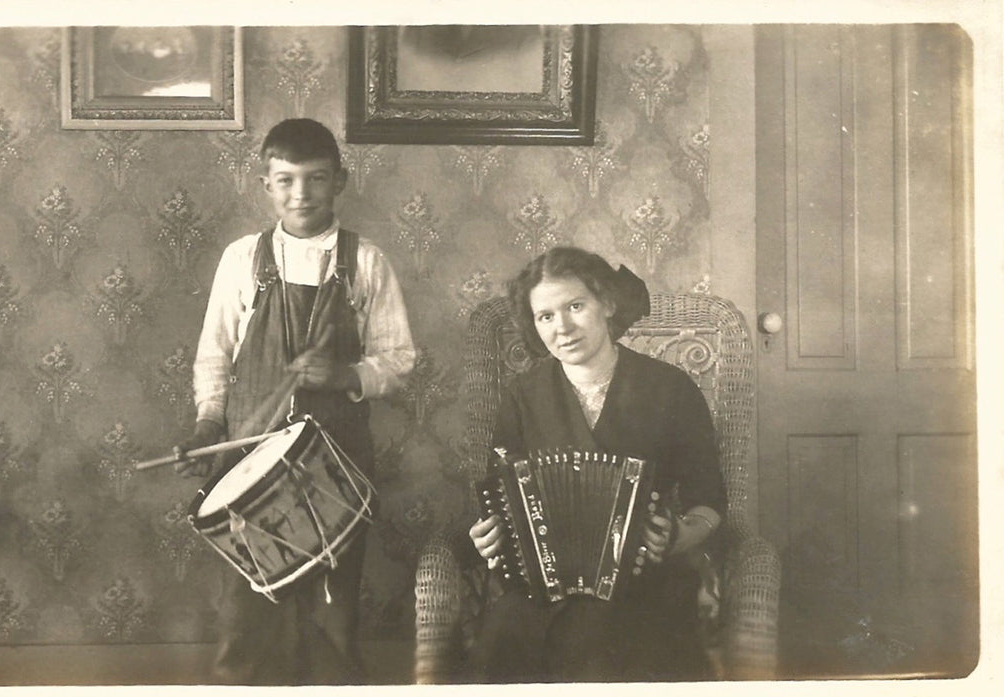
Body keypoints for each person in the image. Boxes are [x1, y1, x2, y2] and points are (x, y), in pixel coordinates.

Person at [174, 118, 416, 684]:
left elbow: (400, 361)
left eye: (315, 179)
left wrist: (342, 376)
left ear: (341, 182)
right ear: (265, 185)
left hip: (337, 460)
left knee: (331, 605)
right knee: (247, 603)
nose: (300, 194)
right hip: (251, 454)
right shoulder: (242, 259)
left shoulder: (366, 262)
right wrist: (210, 420)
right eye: (285, 180)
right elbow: (214, 353)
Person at [467, 246, 725, 683]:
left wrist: (680, 536)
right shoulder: (522, 395)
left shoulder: (670, 388)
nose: (562, 327)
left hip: (646, 584)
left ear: (606, 304)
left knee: (601, 642)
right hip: (543, 588)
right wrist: (490, 537)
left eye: (575, 306)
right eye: (545, 316)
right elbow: (503, 497)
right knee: (499, 649)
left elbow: (710, 501)